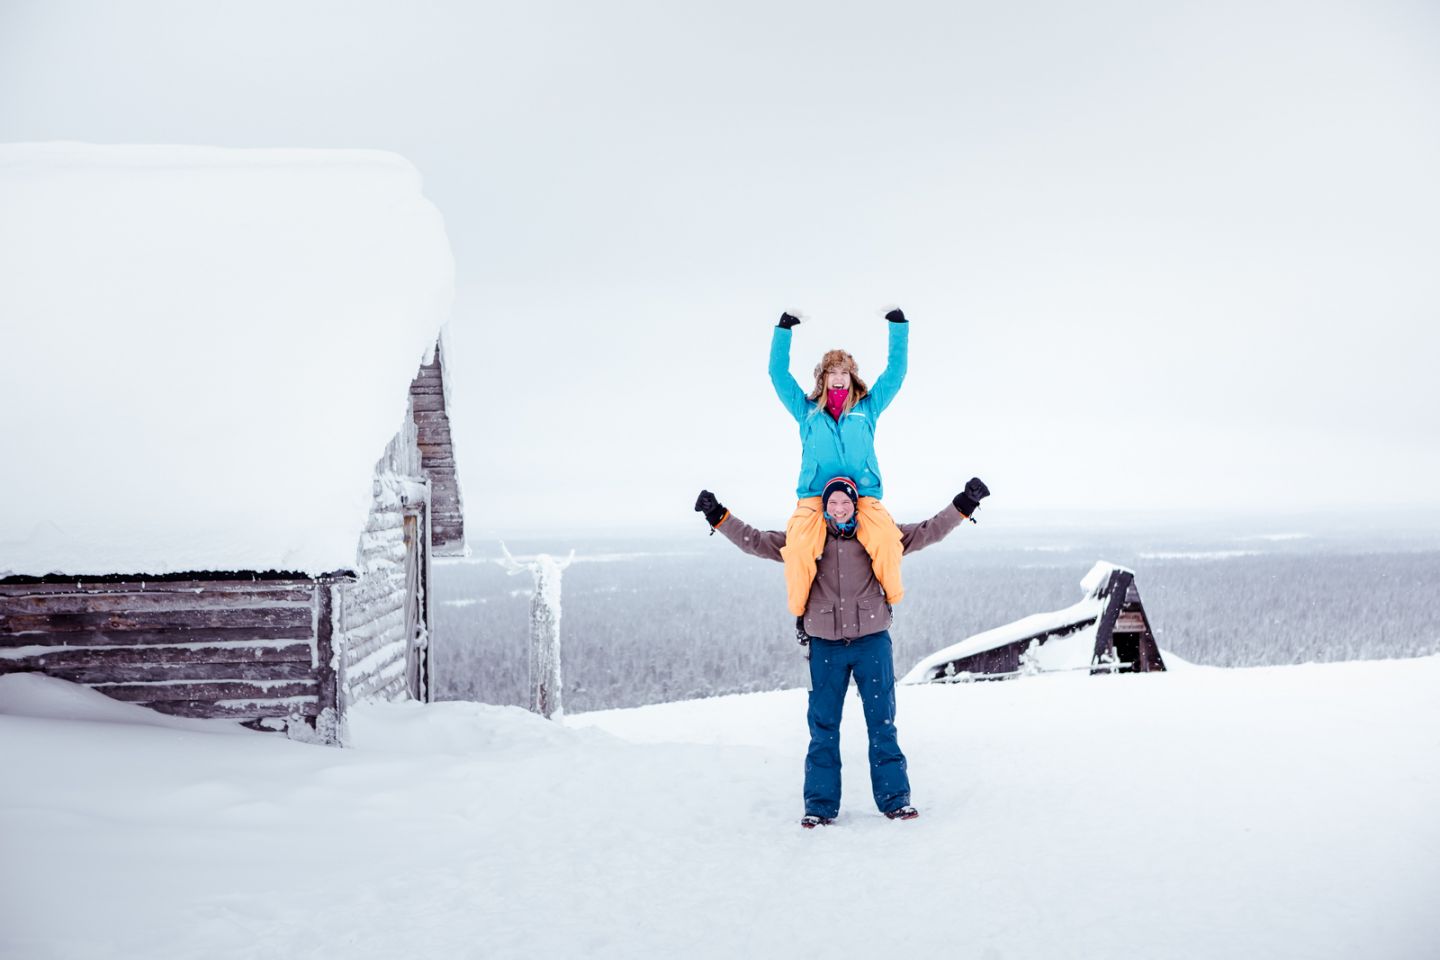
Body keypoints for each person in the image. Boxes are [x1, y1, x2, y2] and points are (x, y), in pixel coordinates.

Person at [694, 475, 991, 828]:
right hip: (825, 647)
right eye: (832, 503)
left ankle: (896, 801)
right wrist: (718, 516)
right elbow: (755, 541)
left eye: (845, 502)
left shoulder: (877, 535)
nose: (838, 509)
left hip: (872, 643)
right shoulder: (804, 539)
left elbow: (929, 530)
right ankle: (819, 806)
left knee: (882, 725)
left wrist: (964, 504)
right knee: (823, 728)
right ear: (824, 506)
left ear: (855, 504)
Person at [770, 309, 909, 620]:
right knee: (799, 551)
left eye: (844, 372)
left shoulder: (868, 408)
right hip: (814, 498)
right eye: (832, 372)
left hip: (864, 496)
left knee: (887, 541)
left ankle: (891, 600)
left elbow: (896, 373)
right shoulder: (805, 411)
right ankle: (800, 614)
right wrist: (783, 332)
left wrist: (897, 328)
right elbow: (778, 376)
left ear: (852, 378)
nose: (838, 378)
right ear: (823, 378)